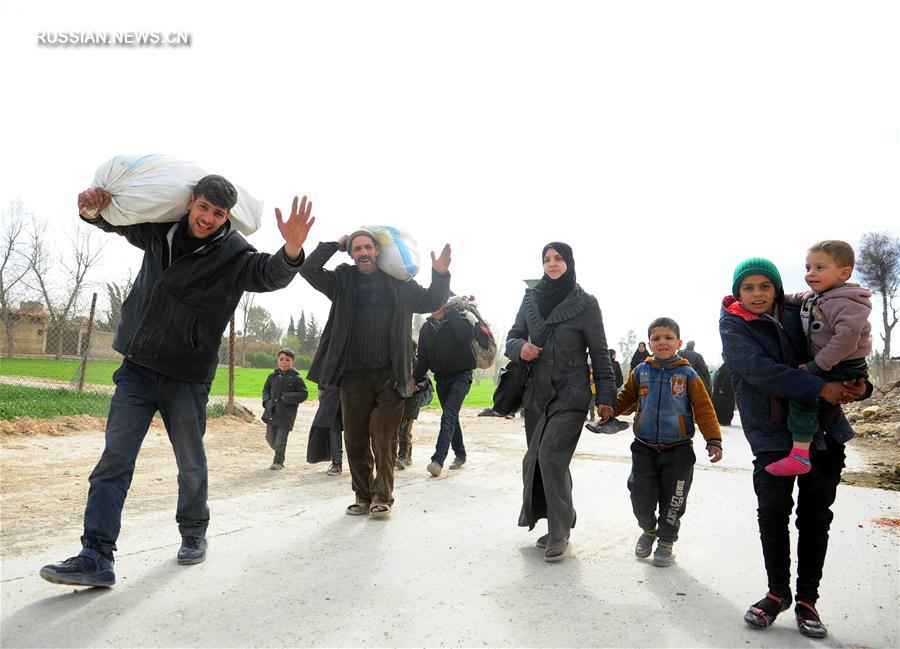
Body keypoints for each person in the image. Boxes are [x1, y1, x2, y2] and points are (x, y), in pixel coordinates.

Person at [40, 178, 314, 587]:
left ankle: (193, 532)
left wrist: (292, 249)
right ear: (190, 202)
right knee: (114, 460)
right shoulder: (160, 230)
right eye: (203, 207)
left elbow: (269, 274)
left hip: (186, 376)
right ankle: (96, 555)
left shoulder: (234, 255)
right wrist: (91, 210)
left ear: (227, 218)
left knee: (190, 462)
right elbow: (116, 223)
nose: (207, 219)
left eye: (218, 214)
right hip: (138, 367)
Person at [720, 257, 869, 639]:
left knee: (815, 518)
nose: (756, 294)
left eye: (764, 286)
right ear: (738, 292)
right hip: (771, 435)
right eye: (748, 287)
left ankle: (806, 600)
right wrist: (820, 387)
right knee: (772, 514)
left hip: (823, 430)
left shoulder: (801, 308)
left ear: (776, 289)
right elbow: (759, 371)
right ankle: (777, 593)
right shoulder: (734, 324)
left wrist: (859, 386)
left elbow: (845, 344)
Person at [300, 228, 451, 518]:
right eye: (356, 249)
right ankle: (362, 495)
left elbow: (432, 301)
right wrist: (336, 244)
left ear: (377, 250)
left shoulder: (400, 284)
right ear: (352, 253)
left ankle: (383, 496)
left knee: (383, 437)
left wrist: (440, 274)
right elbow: (309, 269)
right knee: (355, 439)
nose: (363, 253)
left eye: (367, 247)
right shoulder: (342, 281)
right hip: (353, 376)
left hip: (390, 376)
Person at [505, 242, 617, 562]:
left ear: (569, 262)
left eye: (558, 259)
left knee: (551, 456)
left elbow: (599, 354)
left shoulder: (586, 304)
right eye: (547, 259)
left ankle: (559, 532)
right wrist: (520, 348)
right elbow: (512, 337)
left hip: (572, 393)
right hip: (536, 394)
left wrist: (607, 399)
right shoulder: (530, 300)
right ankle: (560, 517)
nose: (552, 264)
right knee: (537, 459)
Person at [611, 317, 723, 568]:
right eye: (656, 338)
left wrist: (713, 440)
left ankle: (666, 543)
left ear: (679, 342)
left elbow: (704, 409)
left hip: (679, 450)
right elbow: (625, 398)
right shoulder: (641, 371)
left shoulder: (688, 374)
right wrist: (610, 409)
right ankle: (648, 530)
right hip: (644, 448)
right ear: (649, 343)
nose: (662, 342)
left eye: (668, 338)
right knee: (640, 496)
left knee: (674, 499)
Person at [769, 240, 872, 477]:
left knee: (804, 397)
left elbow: (846, 340)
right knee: (809, 394)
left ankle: (799, 455)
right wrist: (777, 296)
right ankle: (803, 452)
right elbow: (796, 297)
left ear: (844, 273)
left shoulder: (847, 302)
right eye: (807, 268)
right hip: (834, 362)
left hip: (843, 363)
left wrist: (818, 365)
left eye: (819, 268)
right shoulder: (818, 296)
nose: (810, 274)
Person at [414, 295, 486, 476]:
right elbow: (422, 360)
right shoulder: (426, 328)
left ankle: (438, 460)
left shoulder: (457, 319)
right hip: (442, 379)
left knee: (448, 415)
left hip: (462, 376)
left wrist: (453, 312)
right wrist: (414, 379)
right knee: (451, 416)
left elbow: (466, 336)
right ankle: (460, 454)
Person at [262, 348, 309, 470]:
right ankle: (279, 449)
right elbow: (265, 390)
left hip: (286, 415)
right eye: (281, 359)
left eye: (287, 360)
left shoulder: (296, 378)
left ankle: (278, 461)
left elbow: (304, 394)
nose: (284, 362)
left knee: (280, 440)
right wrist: (267, 402)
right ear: (278, 361)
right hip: (271, 412)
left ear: (293, 362)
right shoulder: (272, 376)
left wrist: (287, 397)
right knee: (270, 438)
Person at [307, 384, 344, 476]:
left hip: (355, 392)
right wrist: (321, 392)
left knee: (356, 432)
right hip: (332, 394)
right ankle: (336, 463)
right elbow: (322, 373)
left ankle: (358, 464)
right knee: (333, 428)